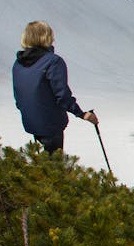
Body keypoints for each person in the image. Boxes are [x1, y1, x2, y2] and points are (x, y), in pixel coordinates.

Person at [12, 20, 98, 153]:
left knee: (43, 164)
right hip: (51, 124)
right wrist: (81, 114)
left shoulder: (18, 64)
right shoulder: (53, 62)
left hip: (31, 122)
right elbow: (62, 95)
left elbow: (19, 95)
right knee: (54, 166)